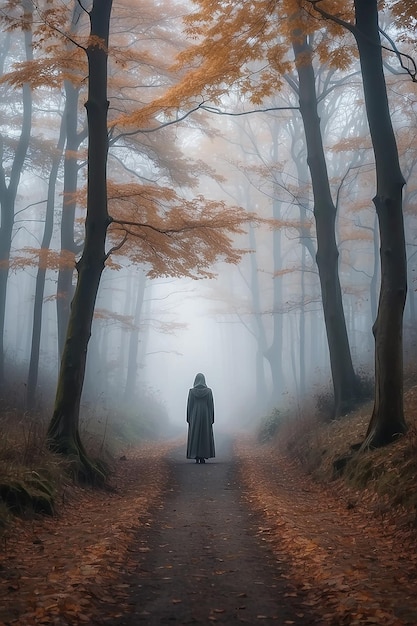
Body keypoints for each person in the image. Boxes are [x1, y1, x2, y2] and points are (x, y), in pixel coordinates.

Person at [186, 373, 215, 464]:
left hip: (195, 414)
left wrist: (189, 418)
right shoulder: (209, 391)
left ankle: (196, 456)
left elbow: (189, 405)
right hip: (205, 414)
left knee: (195, 434)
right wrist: (211, 418)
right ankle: (203, 455)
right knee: (204, 434)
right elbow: (211, 405)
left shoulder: (191, 391)